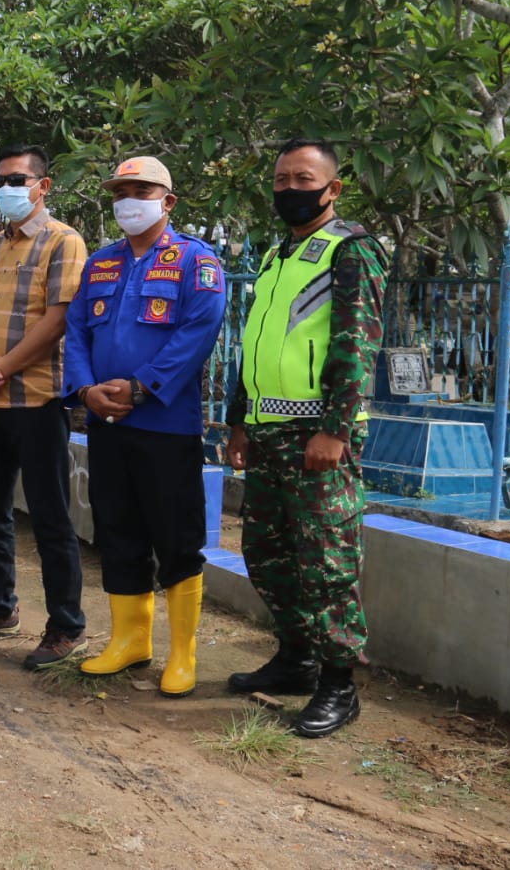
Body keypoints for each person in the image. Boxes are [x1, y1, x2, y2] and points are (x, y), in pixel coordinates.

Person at [225, 138, 387, 738]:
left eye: (303, 178)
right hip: (268, 432)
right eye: (281, 179)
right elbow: (255, 347)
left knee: (327, 562)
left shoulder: (351, 251)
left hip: (317, 438)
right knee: (267, 555)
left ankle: (339, 684)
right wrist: (239, 418)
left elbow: (356, 345)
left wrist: (334, 431)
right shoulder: (275, 257)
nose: (290, 189)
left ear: (333, 188)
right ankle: (295, 659)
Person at [62, 156, 226, 697]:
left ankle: (183, 653)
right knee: (117, 529)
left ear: (168, 201)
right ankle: (130, 641)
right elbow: (78, 329)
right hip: (106, 421)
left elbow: (199, 330)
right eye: (121, 190)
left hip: (166, 423)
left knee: (176, 536)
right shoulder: (102, 263)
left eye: (141, 189)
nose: (129, 199)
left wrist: (139, 387)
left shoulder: (195, 262)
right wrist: (86, 390)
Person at [0, 146, 90, 669]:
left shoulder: (64, 241)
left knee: (51, 516)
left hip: (37, 398)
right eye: (0, 179)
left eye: (18, 178)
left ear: (43, 185)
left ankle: (65, 626)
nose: (7, 187)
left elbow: (58, 319)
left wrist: (4, 364)